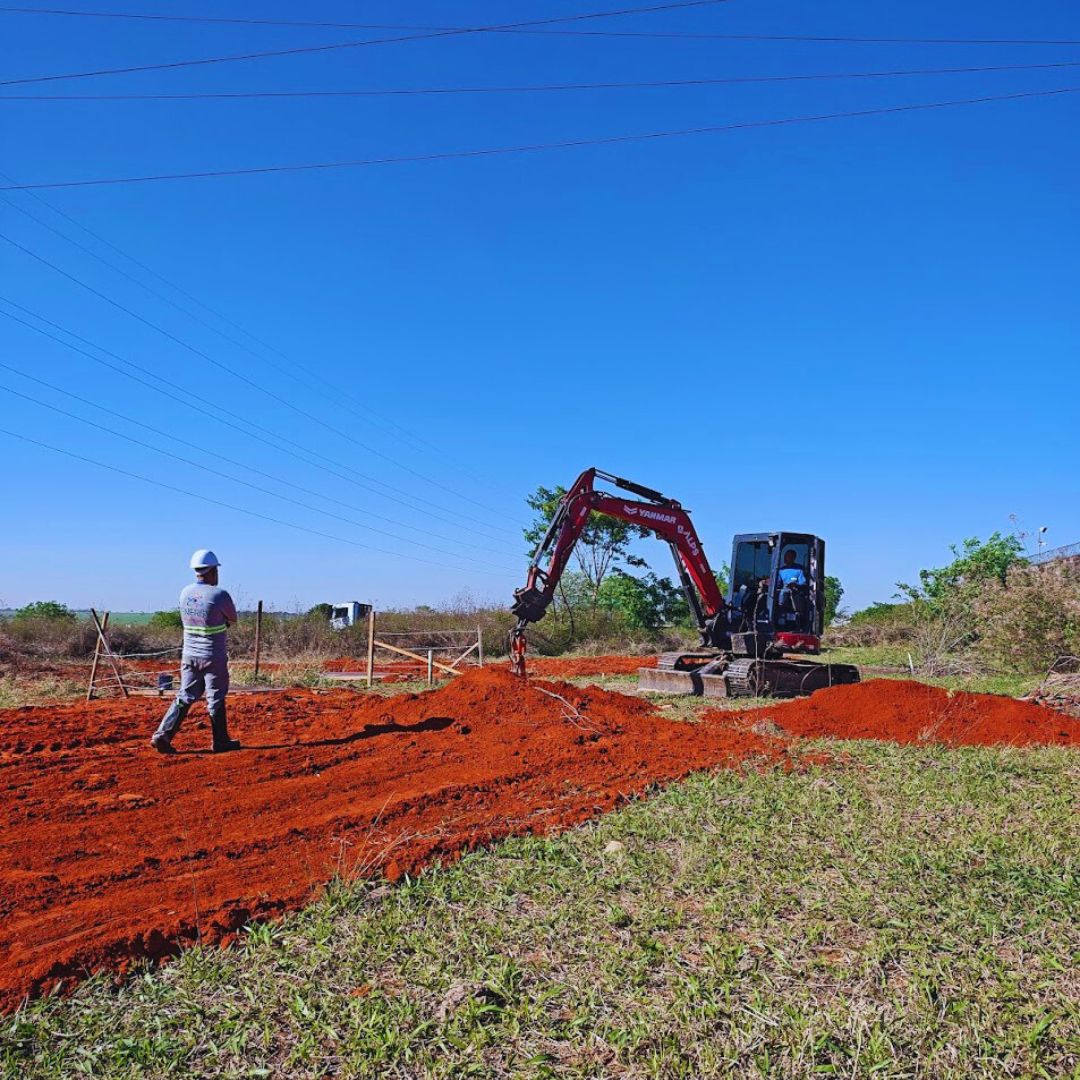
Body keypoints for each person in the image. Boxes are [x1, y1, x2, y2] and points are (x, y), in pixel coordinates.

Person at [151, 549, 241, 754]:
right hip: (213, 656)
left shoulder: (185, 593)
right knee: (215, 697)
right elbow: (232, 619)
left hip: (189, 654)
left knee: (185, 695)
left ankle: (162, 734)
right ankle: (221, 741)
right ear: (212, 571)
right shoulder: (219, 595)